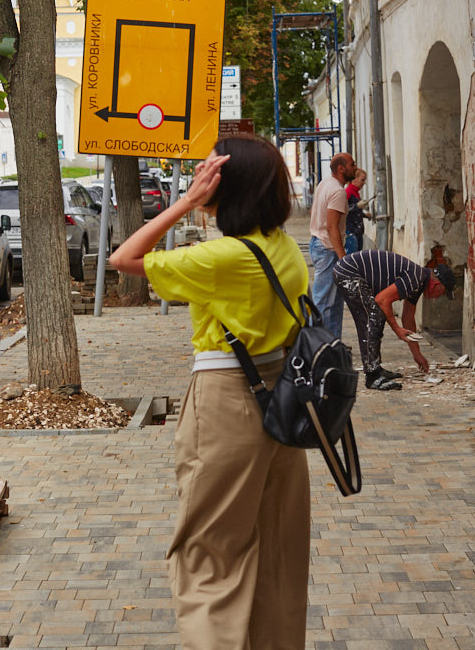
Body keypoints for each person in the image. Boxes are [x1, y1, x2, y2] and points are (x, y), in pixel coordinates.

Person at [110, 134, 310, 650]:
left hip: (228, 401)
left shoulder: (225, 258)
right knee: (276, 552)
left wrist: (185, 202)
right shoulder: (284, 248)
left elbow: (125, 258)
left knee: (209, 552)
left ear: (226, 187)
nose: (201, 178)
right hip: (283, 399)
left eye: (208, 173)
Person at [333, 249, 457, 390]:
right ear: (437, 284)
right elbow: (382, 300)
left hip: (349, 269)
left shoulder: (419, 281)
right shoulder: (416, 278)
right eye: (442, 293)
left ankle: (375, 368)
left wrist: (417, 355)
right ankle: (372, 376)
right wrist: (397, 329)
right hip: (349, 272)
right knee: (373, 317)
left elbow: (408, 319)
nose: (438, 297)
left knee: (375, 316)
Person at [308, 152, 356, 337]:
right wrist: (342, 256)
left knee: (334, 302)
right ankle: (316, 346)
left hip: (319, 243)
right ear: (341, 169)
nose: (355, 167)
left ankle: (332, 344)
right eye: (352, 164)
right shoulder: (337, 191)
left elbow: (315, 212)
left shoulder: (324, 183)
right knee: (324, 302)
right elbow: (331, 226)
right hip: (327, 249)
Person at [344, 168, 368, 255]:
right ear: (354, 179)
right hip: (350, 231)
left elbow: (355, 212)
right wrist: (357, 206)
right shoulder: (348, 192)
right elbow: (343, 209)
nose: (363, 183)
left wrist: (365, 215)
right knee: (352, 258)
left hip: (358, 231)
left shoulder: (356, 192)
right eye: (362, 180)